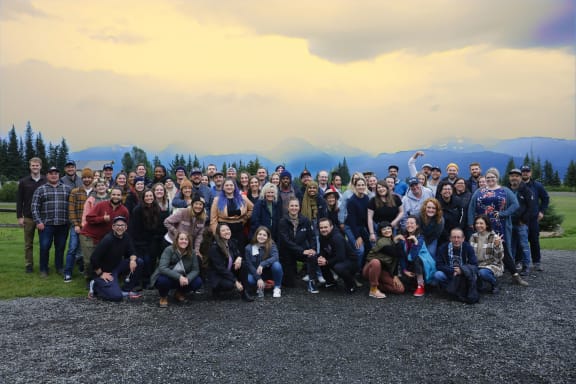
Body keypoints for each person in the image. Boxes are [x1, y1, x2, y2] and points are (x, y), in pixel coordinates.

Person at [467, 167, 528, 287]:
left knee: (503, 248)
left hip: (499, 225)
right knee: (480, 248)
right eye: (488, 177)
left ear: (497, 178)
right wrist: (470, 222)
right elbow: (472, 206)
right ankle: (481, 272)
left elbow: (515, 205)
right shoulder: (479, 191)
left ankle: (515, 275)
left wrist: (503, 214)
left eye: (492, 177)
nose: (490, 179)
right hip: (481, 225)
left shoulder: (505, 191)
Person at [80, 187, 130, 282]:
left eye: (118, 195)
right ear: (110, 195)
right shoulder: (101, 205)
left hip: (105, 238)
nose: (116, 197)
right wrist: (102, 219)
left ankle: (100, 278)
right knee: (89, 260)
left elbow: (125, 226)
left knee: (100, 259)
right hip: (89, 235)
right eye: (114, 194)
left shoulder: (124, 211)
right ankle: (89, 280)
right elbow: (88, 218)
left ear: (121, 197)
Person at [89, 216, 144, 301]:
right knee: (116, 297)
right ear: (113, 227)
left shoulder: (126, 236)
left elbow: (132, 251)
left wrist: (132, 260)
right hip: (105, 271)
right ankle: (95, 285)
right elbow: (93, 258)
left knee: (139, 262)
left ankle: (126, 289)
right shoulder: (108, 239)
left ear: (126, 227)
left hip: (117, 266)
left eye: (122, 225)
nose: (120, 227)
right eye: (117, 225)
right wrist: (100, 274)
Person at [31, 166, 72, 277]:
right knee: (44, 247)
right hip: (46, 225)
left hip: (63, 225)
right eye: (51, 173)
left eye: (56, 173)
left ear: (59, 175)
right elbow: (34, 207)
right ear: (47, 175)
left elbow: (72, 206)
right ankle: (43, 269)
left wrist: (70, 221)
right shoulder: (40, 189)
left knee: (60, 248)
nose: (54, 175)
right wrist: (38, 222)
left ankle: (59, 267)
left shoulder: (67, 189)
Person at [277, 197, 319, 292]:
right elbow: (286, 241)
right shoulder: (282, 221)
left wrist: (312, 249)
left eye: (296, 206)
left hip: (301, 250)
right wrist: (302, 250)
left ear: (299, 207)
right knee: (290, 284)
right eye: (292, 206)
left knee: (312, 256)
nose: (294, 208)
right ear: (288, 207)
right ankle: (293, 274)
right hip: (287, 252)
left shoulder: (305, 220)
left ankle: (312, 281)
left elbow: (312, 237)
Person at [151, 231, 203, 307]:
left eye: (186, 239)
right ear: (177, 240)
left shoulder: (192, 252)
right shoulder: (169, 250)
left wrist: (188, 278)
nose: (184, 241)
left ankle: (180, 293)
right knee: (162, 281)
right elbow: (162, 268)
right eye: (181, 239)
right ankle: (163, 297)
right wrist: (179, 277)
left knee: (197, 282)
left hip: (183, 278)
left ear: (189, 241)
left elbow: (195, 270)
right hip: (168, 277)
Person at [129, 189, 166, 288]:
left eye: (151, 196)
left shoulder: (156, 208)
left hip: (151, 239)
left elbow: (159, 225)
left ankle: (147, 281)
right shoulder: (138, 209)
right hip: (139, 240)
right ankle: (137, 282)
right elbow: (134, 228)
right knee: (142, 260)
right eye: (147, 196)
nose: (149, 198)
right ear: (143, 198)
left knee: (150, 260)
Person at [207, 223, 254, 302]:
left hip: (228, 271)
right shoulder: (214, 248)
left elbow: (238, 253)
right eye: (223, 230)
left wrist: (239, 257)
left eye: (228, 230)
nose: (226, 232)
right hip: (218, 275)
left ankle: (244, 292)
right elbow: (220, 269)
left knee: (243, 264)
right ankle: (216, 290)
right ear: (219, 233)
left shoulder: (231, 242)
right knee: (230, 285)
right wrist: (235, 281)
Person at [63, 168, 94, 282]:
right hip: (77, 226)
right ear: (82, 178)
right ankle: (68, 272)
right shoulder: (75, 192)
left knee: (87, 250)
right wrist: (76, 224)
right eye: (85, 177)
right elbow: (71, 210)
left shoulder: (95, 192)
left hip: (91, 227)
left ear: (92, 178)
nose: (87, 179)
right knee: (72, 248)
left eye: (89, 177)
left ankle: (85, 269)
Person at [433, 228, 479, 304]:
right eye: (454, 237)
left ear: (463, 238)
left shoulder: (468, 248)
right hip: (450, 273)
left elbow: (474, 265)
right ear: (450, 238)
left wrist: (461, 270)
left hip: (463, 275)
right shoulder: (443, 248)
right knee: (438, 275)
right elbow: (439, 265)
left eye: (458, 237)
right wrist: (453, 271)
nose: (456, 240)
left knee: (474, 276)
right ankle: (449, 290)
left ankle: (460, 290)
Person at [16, 157, 46, 273]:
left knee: (44, 243)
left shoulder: (45, 180)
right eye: (33, 165)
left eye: (37, 165)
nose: (35, 167)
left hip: (42, 217)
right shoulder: (23, 182)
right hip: (28, 217)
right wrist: (19, 216)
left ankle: (43, 265)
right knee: (28, 243)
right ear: (30, 167)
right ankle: (29, 264)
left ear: (40, 166)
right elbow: (19, 200)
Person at [164, 193, 207, 271]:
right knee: (172, 263)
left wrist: (197, 250)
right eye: (196, 204)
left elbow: (199, 236)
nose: (198, 206)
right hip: (172, 241)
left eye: (200, 204)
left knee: (191, 262)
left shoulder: (203, 218)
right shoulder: (183, 212)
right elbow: (167, 222)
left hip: (186, 243)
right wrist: (176, 232)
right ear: (192, 204)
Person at [363, 221, 405, 298]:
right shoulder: (382, 242)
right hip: (370, 269)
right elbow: (398, 254)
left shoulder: (391, 240)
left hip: (383, 271)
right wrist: (397, 241)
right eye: (384, 229)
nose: (387, 231)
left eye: (389, 228)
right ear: (380, 232)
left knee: (400, 289)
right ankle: (373, 290)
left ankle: (377, 285)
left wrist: (395, 276)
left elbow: (396, 259)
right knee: (376, 262)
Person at [317, 218, 359, 294]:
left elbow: (341, 257)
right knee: (320, 260)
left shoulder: (337, 237)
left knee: (338, 267)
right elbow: (323, 250)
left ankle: (351, 285)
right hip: (336, 257)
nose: (323, 229)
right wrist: (321, 257)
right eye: (321, 228)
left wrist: (326, 262)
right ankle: (330, 282)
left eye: (326, 227)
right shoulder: (322, 236)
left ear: (331, 227)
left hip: (350, 261)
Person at [210, 177, 253, 250]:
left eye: (231, 185)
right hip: (224, 230)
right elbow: (213, 219)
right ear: (223, 187)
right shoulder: (217, 200)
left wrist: (245, 218)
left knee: (240, 250)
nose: (229, 187)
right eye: (226, 185)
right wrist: (216, 235)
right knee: (227, 251)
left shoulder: (243, 198)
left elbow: (252, 209)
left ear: (234, 187)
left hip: (239, 229)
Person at [520, 164, 549, 271]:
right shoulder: (517, 185)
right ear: (521, 173)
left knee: (534, 241)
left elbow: (545, 198)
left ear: (530, 173)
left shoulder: (537, 185)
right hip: (521, 219)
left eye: (527, 171)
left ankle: (536, 262)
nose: (525, 173)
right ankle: (519, 261)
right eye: (523, 171)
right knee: (520, 241)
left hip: (533, 219)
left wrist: (542, 211)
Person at [398, 215, 434, 297]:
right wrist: (404, 270)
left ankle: (420, 285)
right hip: (411, 266)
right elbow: (401, 256)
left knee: (417, 259)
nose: (409, 225)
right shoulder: (404, 238)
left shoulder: (420, 238)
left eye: (412, 223)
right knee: (403, 284)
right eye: (407, 223)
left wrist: (415, 242)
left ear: (417, 225)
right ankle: (414, 283)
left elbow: (412, 257)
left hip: (424, 266)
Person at [508, 168, 535, 275]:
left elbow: (531, 208)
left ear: (520, 178)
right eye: (512, 176)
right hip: (509, 222)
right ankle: (512, 266)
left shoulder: (526, 190)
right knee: (511, 246)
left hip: (521, 224)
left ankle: (526, 266)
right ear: (509, 178)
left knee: (524, 245)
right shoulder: (506, 189)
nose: (514, 178)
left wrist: (523, 220)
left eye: (517, 176)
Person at [244, 226, 283, 298]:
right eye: (260, 234)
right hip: (255, 272)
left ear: (268, 237)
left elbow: (275, 257)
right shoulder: (248, 248)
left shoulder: (272, 245)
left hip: (268, 272)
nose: (261, 237)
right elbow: (249, 265)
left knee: (277, 265)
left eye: (264, 235)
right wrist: (258, 278)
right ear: (256, 235)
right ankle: (261, 284)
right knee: (249, 280)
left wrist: (262, 264)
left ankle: (277, 287)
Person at [469, 215, 504, 294]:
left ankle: (494, 283)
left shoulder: (495, 237)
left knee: (482, 273)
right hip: (476, 264)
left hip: (491, 264)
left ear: (487, 225)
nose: (478, 225)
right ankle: (480, 283)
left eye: (481, 223)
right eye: (477, 223)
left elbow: (499, 258)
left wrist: (497, 246)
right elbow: (470, 254)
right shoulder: (473, 236)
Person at [343, 176, 370, 270]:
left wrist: (370, 233)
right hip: (350, 227)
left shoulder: (366, 198)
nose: (361, 187)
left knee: (369, 245)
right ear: (355, 187)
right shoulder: (352, 201)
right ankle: (356, 271)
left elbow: (367, 217)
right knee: (360, 250)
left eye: (363, 185)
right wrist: (358, 237)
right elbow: (352, 221)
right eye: (359, 185)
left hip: (361, 226)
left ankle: (364, 267)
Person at [367, 180, 404, 244]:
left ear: (387, 188)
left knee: (392, 246)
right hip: (378, 228)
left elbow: (401, 212)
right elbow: (369, 218)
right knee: (379, 247)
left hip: (392, 227)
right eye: (379, 187)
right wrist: (372, 233)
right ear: (376, 190)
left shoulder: (396, 198)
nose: (381, 189)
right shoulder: (372, 201)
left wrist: (395, 221)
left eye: (383, 187)